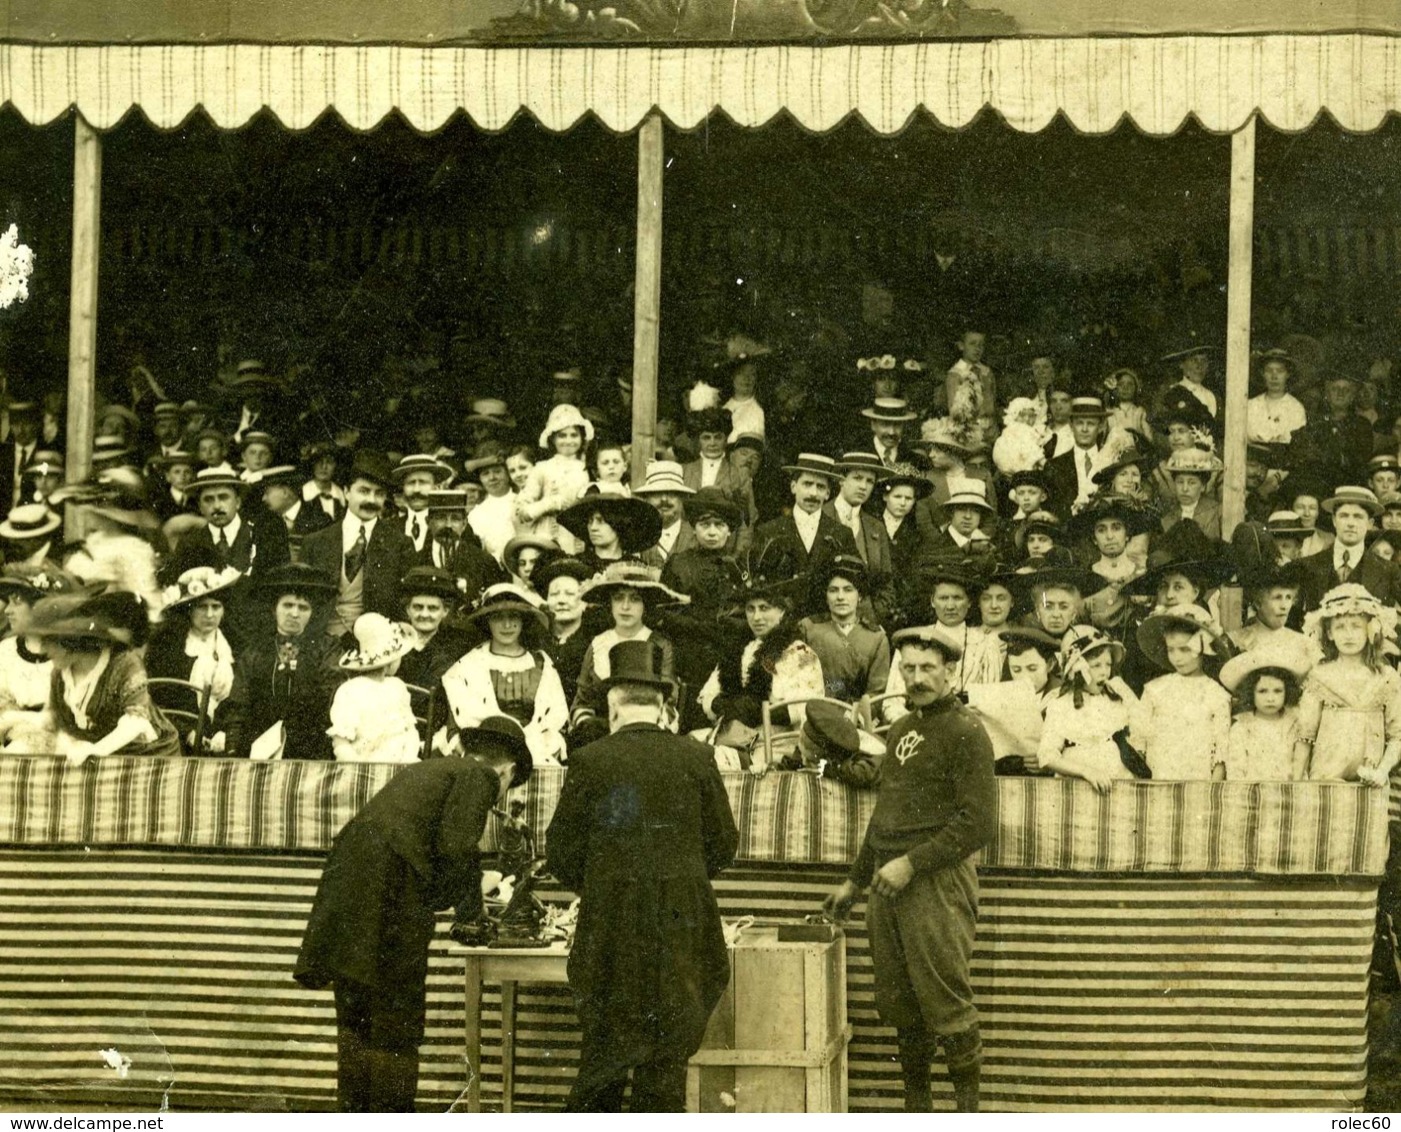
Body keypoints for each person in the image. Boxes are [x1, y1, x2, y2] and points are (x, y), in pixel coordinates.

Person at [294, 717, 533, 1112]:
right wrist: (472, 916)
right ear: (506, 770)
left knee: (356, 1018)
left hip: (350, 886)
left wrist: (468, 888)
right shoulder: (482, 776)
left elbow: (429, 847)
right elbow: (458, 845)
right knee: (396, 1022)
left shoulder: (431, 768)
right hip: (389, 892)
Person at [546, 639, 738, 1112]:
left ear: (613, 706)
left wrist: (606, 883)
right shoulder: (696, 757)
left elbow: (561, 853)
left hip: (612, 923)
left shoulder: (591, 761)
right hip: (683, 922)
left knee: (605, 1054)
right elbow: (723, 843)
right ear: (664, 706)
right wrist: (681, 876)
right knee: (666, 1059)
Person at [821, 625, 995, 1113]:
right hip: (887, 884)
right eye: (910, 668)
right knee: (902, 1007)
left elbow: (979, 823)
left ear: (949, 671)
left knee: (944, 1000)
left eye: (928, 668)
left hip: (936, 883)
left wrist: (912, 865)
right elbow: (885, 815)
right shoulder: (900, 730)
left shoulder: (967, 731)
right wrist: (855, 881)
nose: (917, 678)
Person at [1, 590, 181, 761]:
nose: (43, 650)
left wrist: (96, 750)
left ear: (70, 642)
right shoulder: (61, 673)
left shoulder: (123, 664)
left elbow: (135, 721)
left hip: (149, 757)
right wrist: (10, 720)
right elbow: (56, 718)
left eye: (48, 642)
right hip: (98, 758)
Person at [221, 563, 343, 761]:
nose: (294, 613)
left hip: (310, 748)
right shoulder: (255, 651)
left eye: (303, 607)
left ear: (311, 613)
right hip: (259, 746)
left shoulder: (326, 649)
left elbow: (332, 699)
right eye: (288, 605)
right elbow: (238, 705)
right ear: (274, 608)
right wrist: (233, 747)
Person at [437, 583, 569, 766]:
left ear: (523, 620)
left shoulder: (542, 665)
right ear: (487, 620)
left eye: (513, 616)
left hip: (535, 755)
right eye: (498, 617)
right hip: (481, 756)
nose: (507, 625)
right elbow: (455, 727)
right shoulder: (468, 666)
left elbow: (556, 722)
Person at [161, 466, 293, 646]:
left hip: (257, 637)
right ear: (200, 506)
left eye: (223, 497)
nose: (216, 506)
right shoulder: (190, 543)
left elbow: (279, 587)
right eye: (208, 500)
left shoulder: (264, 536)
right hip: (209, 638)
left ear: (237, 502)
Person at [1293, 583, 1401, 794]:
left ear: (1371, 630)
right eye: (1340, 627)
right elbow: (1305, 735)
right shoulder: (1320, 676)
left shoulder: (1387, 678)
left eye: (1356, 626)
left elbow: (1397, 736)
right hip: (1326, 778)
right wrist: (1296, 784)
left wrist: (1382, 771)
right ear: (1330, 633)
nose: (1348, 634)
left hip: (1370, 783)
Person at [300, 451, 418, 640]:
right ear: (346, 492)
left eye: (379, 494)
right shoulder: (315, 542)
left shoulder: (399, 544)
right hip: (322, 641)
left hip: (375, 643)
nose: (371, 500)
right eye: (363, 491)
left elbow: (403, 604)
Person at [570, 562, 683, 746]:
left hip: (648, 736)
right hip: (601, 738)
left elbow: (669, 700)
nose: (625, 606)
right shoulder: (598, 644)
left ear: (645, 605)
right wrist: (587, 727)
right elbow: (583, 700)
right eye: (618, 598)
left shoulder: (659, 645)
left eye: (635, 599)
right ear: (610, 603)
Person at [1037, 624, 1147, 790]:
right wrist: (1086, 772)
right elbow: (1047, 756)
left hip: (1117, 779)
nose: (1104, 672)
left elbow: (1141, 730)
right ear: (1077, 670)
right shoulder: (1060, 704)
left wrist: (1127, 695)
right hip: (1077, 784)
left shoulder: (1115, 698)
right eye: (1096, 666)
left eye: (1108, 664)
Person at [147, 565, 242, 752]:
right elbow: (156, 702)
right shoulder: (168, 648)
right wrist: (188, 733)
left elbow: (242, 701)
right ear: (188, 611)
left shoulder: (235, 646)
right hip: (177, 737)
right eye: (202, 607)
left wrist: (227, 733)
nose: (209, 615)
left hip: (224, 739)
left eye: (216, 607)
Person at [751, 453, 860, 616]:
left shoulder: (841, 534)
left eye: (820, 487)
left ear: (828, 493)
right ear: (793, 487)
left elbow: (854, 580)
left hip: (824, 625)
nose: (813, 493)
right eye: (807, 484)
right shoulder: (768, 531)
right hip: (780, 624)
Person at [1135, 605, 1232, 780]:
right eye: (1171, 649)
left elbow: (1221, 749)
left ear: (1203, 648)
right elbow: (1139, 740)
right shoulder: (1154, 689)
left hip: (1198, 779)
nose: (1177, 657)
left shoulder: (1216, 694)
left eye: (1185, 649)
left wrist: (1213, 788)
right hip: (1159, 774)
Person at [327, 613, 421, 764]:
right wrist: (360, 768)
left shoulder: (397, 687)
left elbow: (410, 731)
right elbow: (341, 744)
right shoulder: (350, 690)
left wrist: (407, 760)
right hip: (362, 767)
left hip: (401, 767)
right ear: (390, 662)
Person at [798, 555, 890, 704]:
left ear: (859, 595)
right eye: (833, 590)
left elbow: (876, 693)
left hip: (855, 719)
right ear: (826, 596)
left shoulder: (876, 638)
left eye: (848, 590)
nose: (840, 597)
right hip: (815, 712)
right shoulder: (809, 628)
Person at [0, 564, 73, 750]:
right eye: (7, 602)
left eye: (17, 602)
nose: (7, 610)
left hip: (63, 740)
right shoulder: (6, 650)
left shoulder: (68, 652)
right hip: (14, 735)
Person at [1297, 485, 1401, 611]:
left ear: (1370, 524)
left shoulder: (1389, 571)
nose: (1351, 523)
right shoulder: (1308, 566)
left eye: (1358, 516)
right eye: (1344, 516)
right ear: (1334, 520)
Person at [1220, 643, 1312, 781]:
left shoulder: (1294, 724)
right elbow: (1235, 770)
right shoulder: (1242, 727)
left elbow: (1301, 766)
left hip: (1287, 793)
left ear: (1287, 691)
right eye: (1262, 691)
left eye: (1277, 691)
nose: (1270, 698)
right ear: (1251, 692)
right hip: (1252, 794)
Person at [514, 403, 593, 550]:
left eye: (574, 435)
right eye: (562, 436)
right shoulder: (543, 468)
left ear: (582, 438)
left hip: (575, 536)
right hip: (546, 533)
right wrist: (549, 503)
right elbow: (522, 511)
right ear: (552, 439)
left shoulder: (587, 469)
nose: (568, 441)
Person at [558, 488, 664, 577]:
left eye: (601, 521)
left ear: (618, 525)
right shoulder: (575, 566)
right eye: (590, 522)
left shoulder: (636, 568)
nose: (593, 528)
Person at [535, 556, 594, 708]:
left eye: (570, 594)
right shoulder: (535, 640)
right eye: (554, 594)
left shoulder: (594, 643)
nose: (561, 601)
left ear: (584, 603)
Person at [1043, 396, 1108, 517]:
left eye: (1091, 424)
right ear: (1071, 426)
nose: (1084, 429)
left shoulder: (1110, 461)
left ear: (1100, 427)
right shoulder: (1054, 466)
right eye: (1079, 423)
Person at [391, 454, 454, 558]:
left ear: (436, 487)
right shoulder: (390, 528)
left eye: (423, 483)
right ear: (403, 488)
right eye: (411, 483)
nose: (416, 490)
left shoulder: (450, 526)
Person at [1246, 348, 1307, 444]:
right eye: (1269, 370)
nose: (1274, 376)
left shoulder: (1296, 408)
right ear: (1263, 374)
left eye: (1280, 371)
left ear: (1288, 374)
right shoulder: (1250, 406)